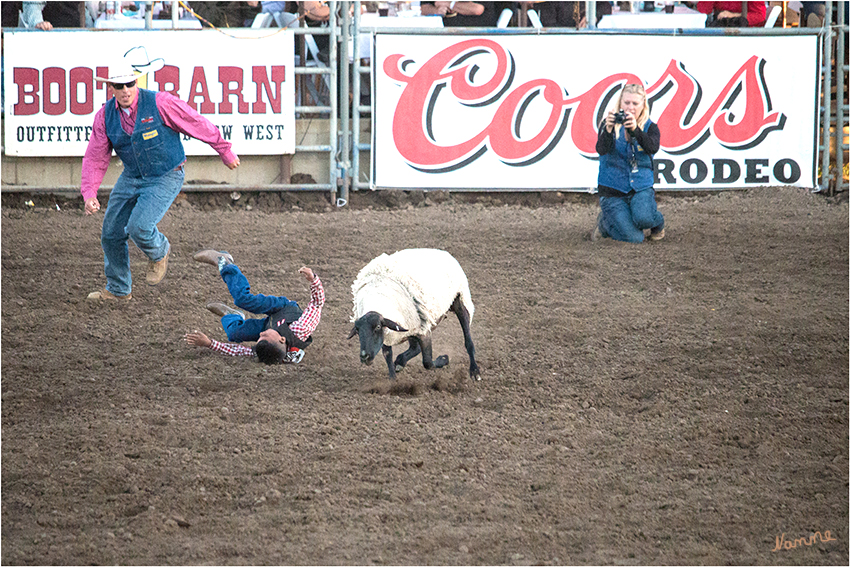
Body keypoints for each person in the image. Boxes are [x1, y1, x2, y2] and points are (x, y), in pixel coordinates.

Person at [82, 58, 240, 301]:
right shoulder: (104, 116)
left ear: (136, 82)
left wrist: (223, 149)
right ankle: (118, 289)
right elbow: (96, 155)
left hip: (166, 174)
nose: (125, 90)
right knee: (111, 233)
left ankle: (160, 250)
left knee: (140, 226)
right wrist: (90, 192)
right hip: (132, 175)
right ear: (111, 88)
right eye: (119, 86)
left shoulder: (161, 102)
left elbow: (195, 123)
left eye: (129, 84)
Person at [184, 250, 325, 365]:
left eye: (260, 337)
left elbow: (239, 351)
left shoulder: (267, 350)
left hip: (272, 326)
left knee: (234, 334)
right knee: (243, 299)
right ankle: (224, 262)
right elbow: (317, 304)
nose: (260, 334)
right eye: (264, 336)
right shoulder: (300, 328)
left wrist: (209, 343)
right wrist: (314, 280)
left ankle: (233, 315)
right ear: (282, 339)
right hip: (283, 309)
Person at [591, 83, 664, 244]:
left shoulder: (651, 127)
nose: (630, 107)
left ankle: (657, 222)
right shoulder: (608, 123)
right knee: (634, 238)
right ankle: (604, 223)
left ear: (643, 105)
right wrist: (609, 129)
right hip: (613, 191)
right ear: (620, 103)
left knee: (643, 219)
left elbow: (653, 147)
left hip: (640, 188)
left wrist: (635, 130)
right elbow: (601, 150)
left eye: (635, 104)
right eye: (627, 103)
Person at [696, 1, 767, 27]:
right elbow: (704, 10)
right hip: (720, 27)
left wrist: (732, 15)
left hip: (745, 32)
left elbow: (760, 16)